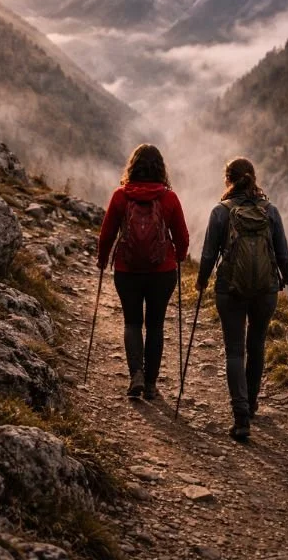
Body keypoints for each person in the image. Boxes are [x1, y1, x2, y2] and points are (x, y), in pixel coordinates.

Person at [196, 157, 288, 440]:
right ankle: (251, 404)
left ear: (228, 180)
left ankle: (241, 419)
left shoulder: (220, 212)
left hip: (231, 289)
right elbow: (282, 252)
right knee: (257, 345)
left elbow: (207, 254)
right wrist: (287, 277)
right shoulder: (270, 211)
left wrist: (202, 280)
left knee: (235, 351)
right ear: (253, 178)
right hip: (265, 289)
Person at [97, 144, 189, 400]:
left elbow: (106, 235)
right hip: (162, 271)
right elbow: (182, 236)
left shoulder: (120, 196)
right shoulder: (169, 198)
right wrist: (178, 257)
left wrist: (102, 260)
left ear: (133, 166)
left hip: (127, 270)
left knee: (132, 322)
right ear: (161, 169)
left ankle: (135, 374)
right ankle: (150, 384)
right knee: (156, 325)